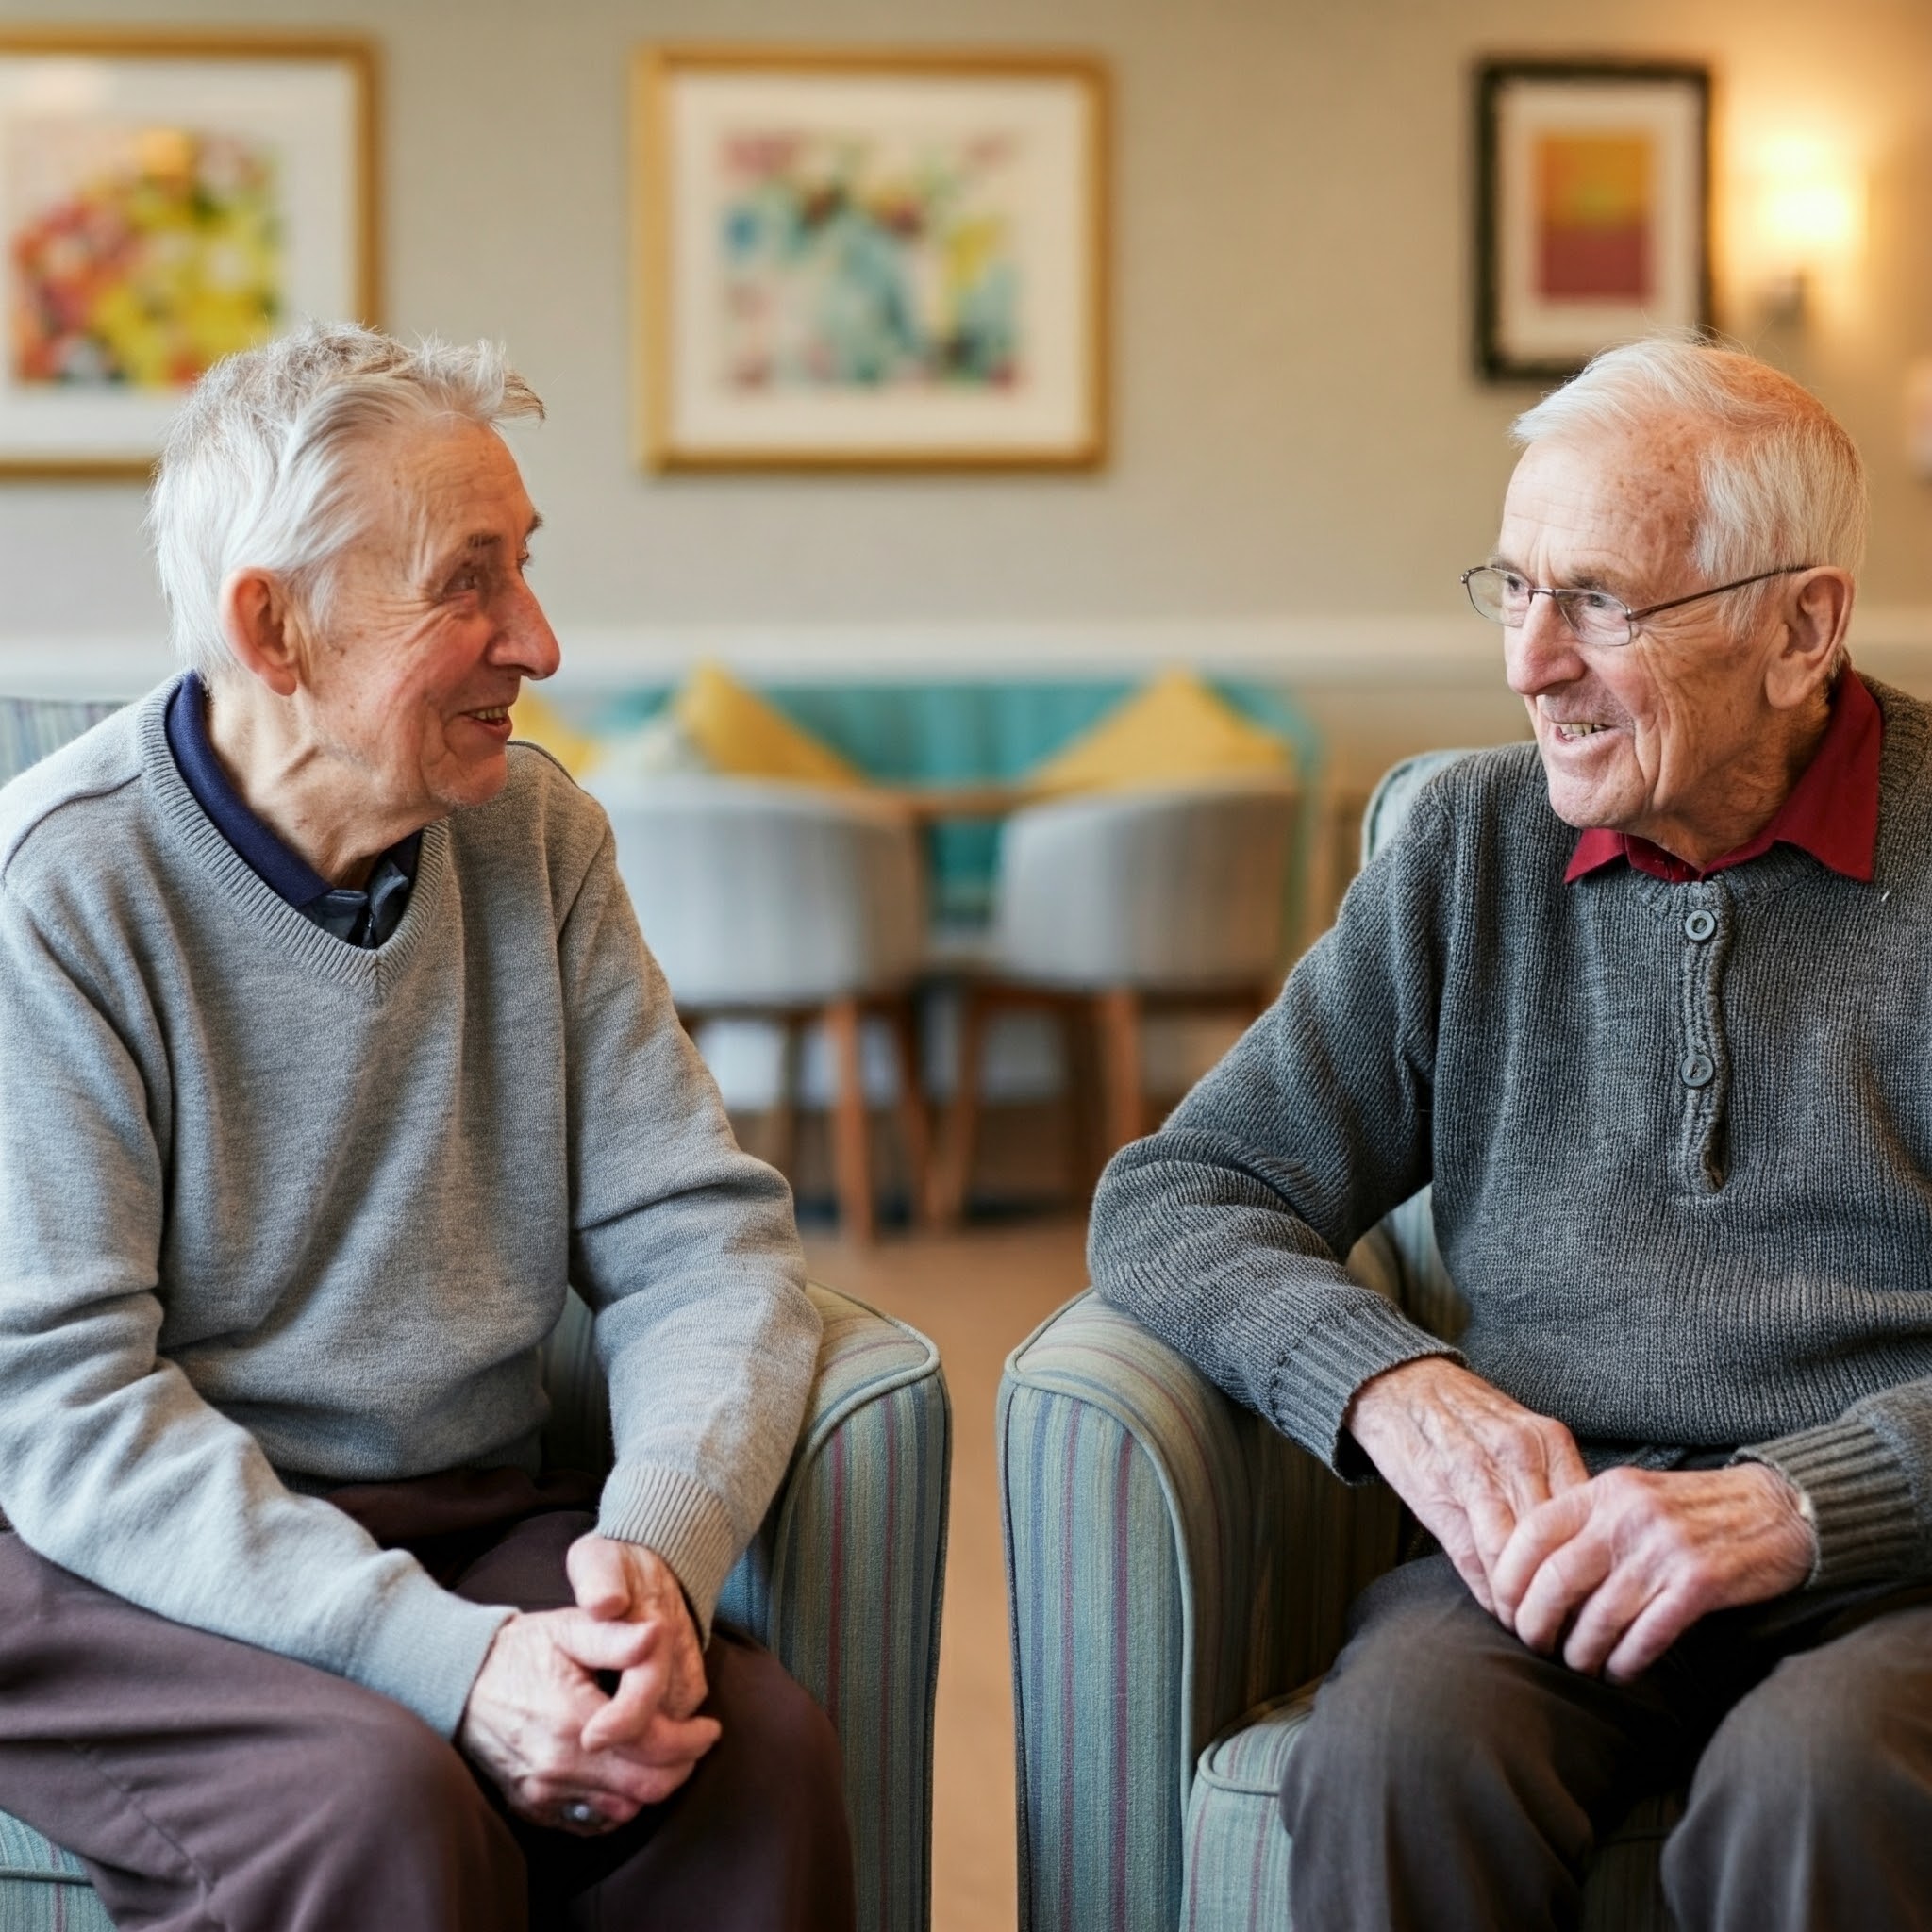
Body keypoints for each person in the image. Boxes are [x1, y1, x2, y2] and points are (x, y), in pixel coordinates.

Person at [0, 323, 854, 1931]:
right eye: (468, 583)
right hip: (94, 1558)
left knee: (748, 1756)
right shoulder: (59, 892)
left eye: (525, 568)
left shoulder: (537, 835)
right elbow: (67, 1412)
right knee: (379, 1806)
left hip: (454, 1509)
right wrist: (457, 1668)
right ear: (277, 626)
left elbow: (701, 1237)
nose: (535, 638)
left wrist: (652, 1553)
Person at [1088, 337, 1932, 1930]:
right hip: (1556, 1546)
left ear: (1802, 627)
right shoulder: (1465, 849)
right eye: (1513, 588)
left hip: (1902, 1564)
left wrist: (1808, 1500)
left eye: (1600, 601)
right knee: (1404, 1749)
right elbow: (1177, 1194)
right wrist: (1388, 1382)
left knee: (1816, 1777)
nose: (1528, 663)